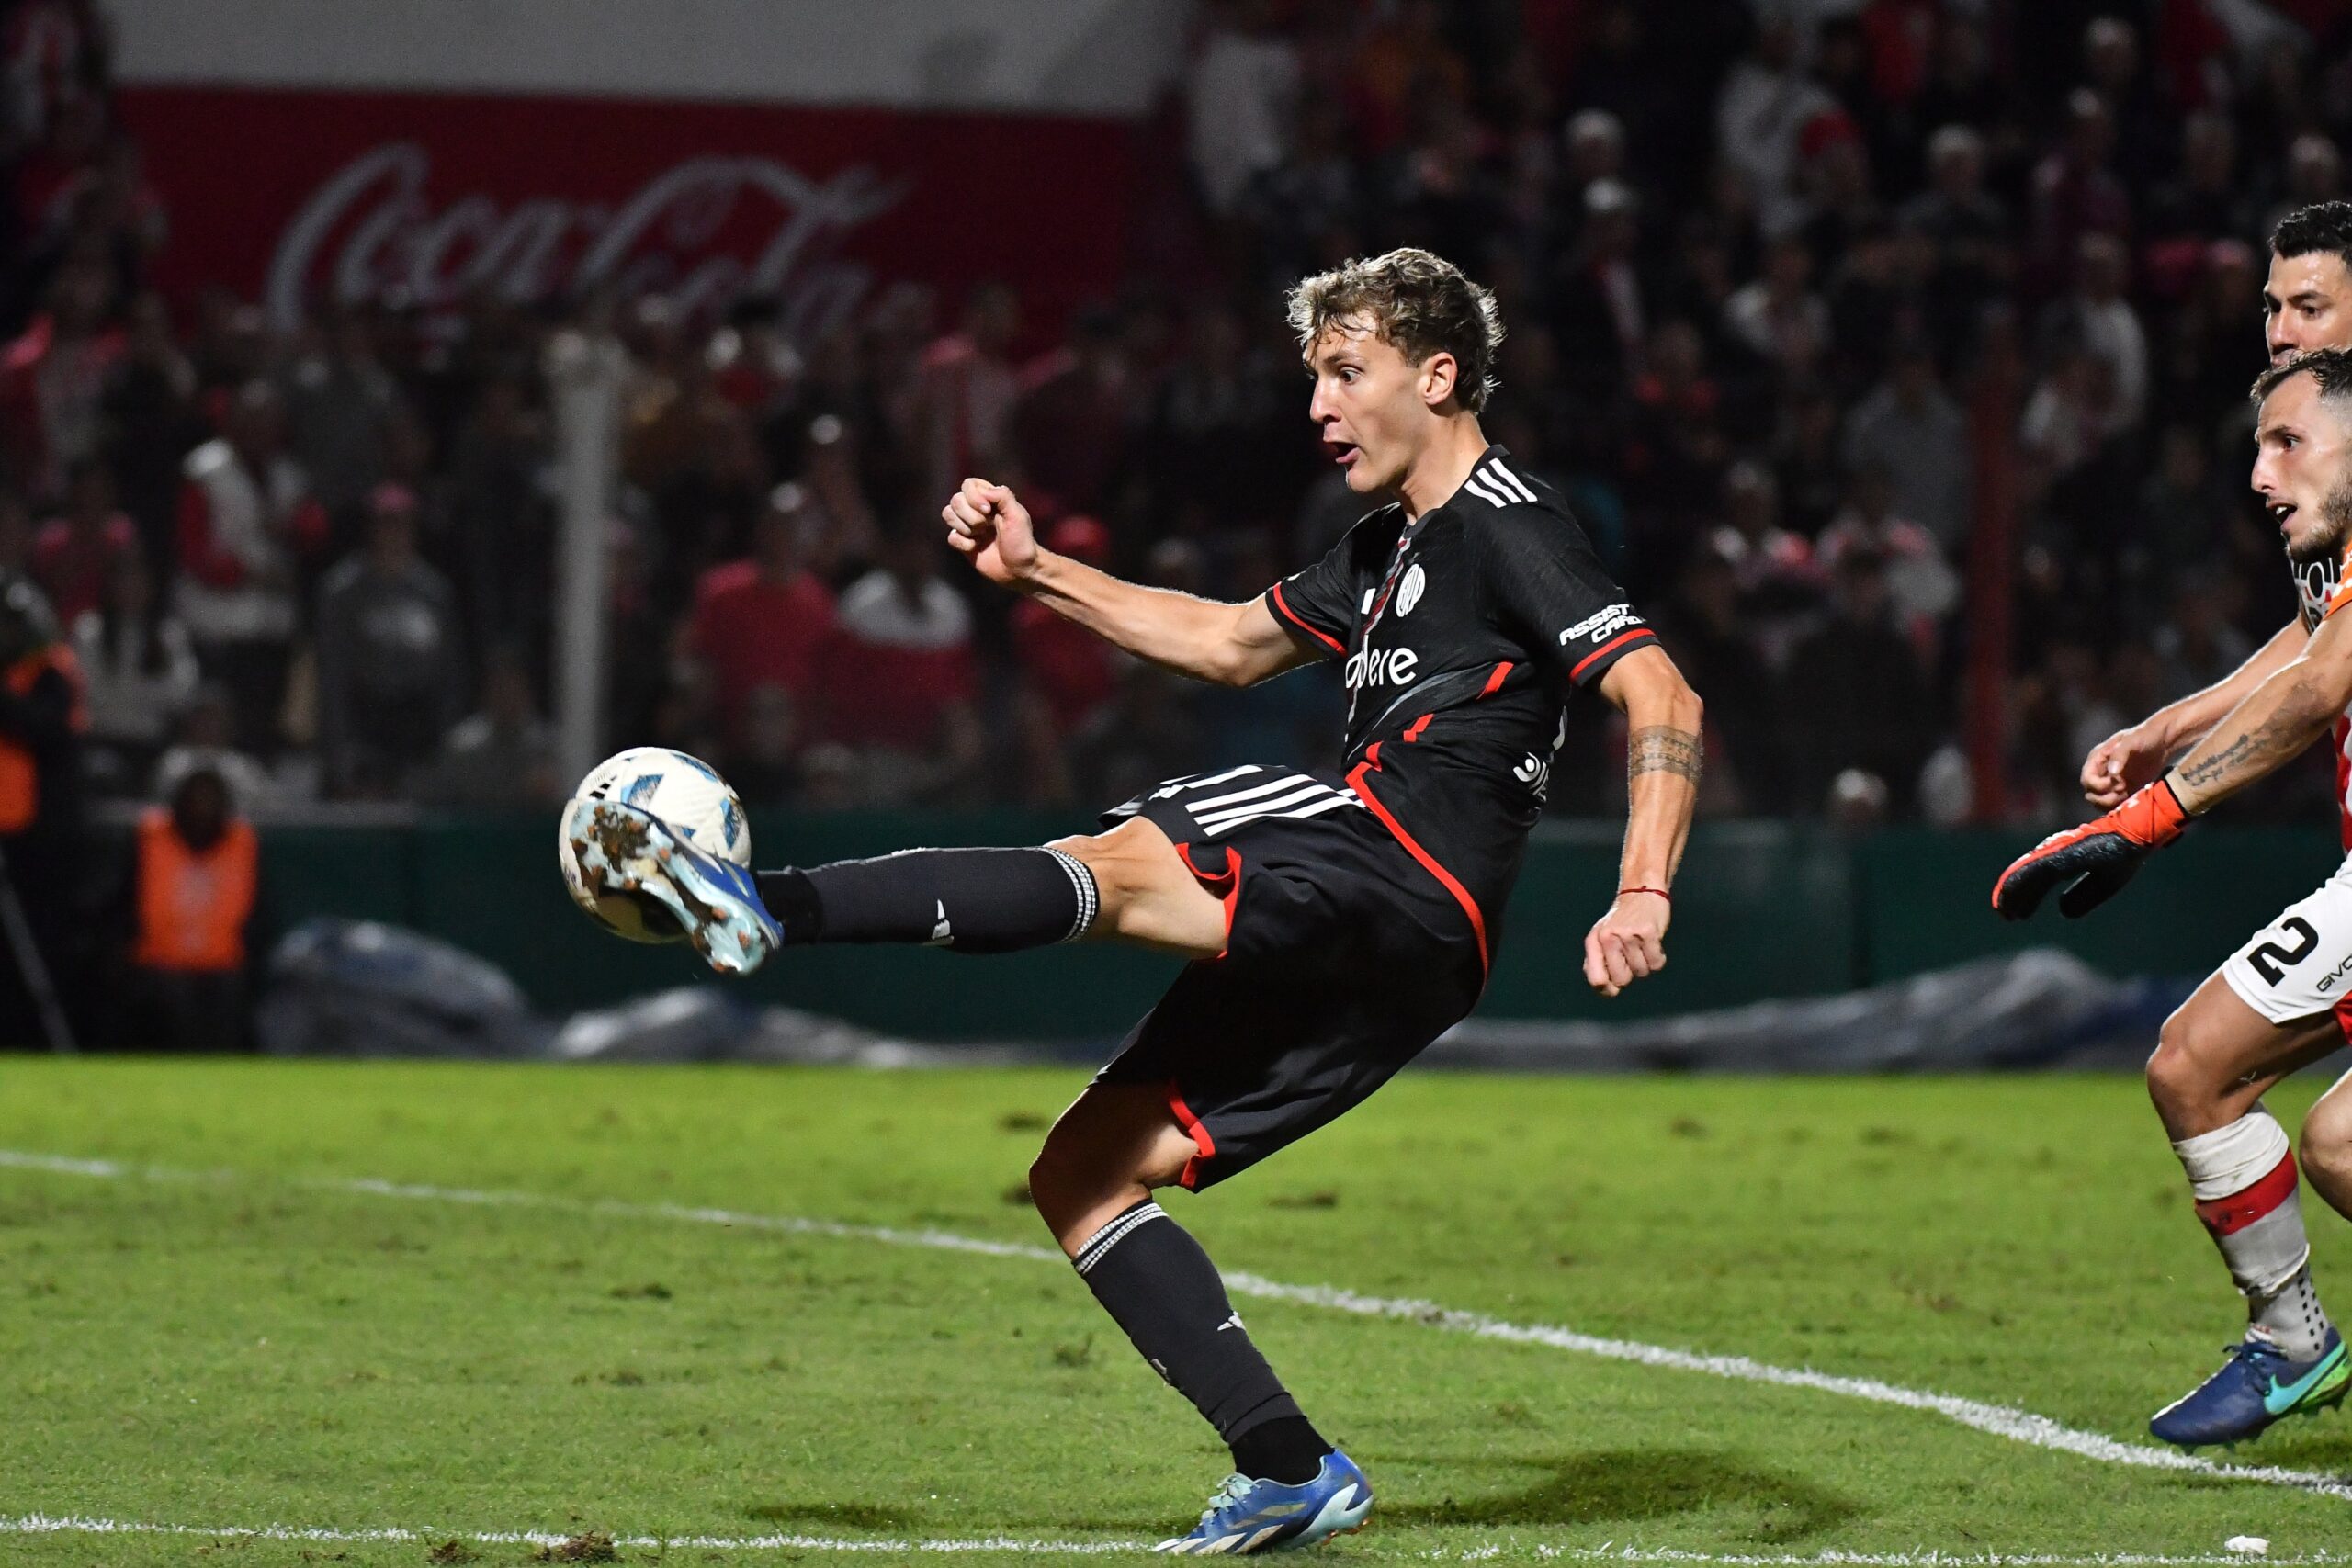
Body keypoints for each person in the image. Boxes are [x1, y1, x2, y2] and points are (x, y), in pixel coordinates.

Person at [564, 248, 1704, 1552]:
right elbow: (1225, 640)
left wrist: (1641, 888)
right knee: (1084, 1172)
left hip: (1395, 855)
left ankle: (768, 902)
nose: (1319, 405)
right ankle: (1288, 1464)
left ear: (1438, 376)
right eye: (1315, 377)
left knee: (1114, 861)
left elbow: (1661, 693)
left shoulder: (1507, 518)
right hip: (1414, 951)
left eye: (1347, 372)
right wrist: (1038, 570)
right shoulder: (1387, 547)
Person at [1996, 346, 2352, 1448]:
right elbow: (2313, 643)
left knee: (2292, 1118)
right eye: (2271, 307)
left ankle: (2291, 1345)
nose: (2258, 472)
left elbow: (2323, 685)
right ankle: (2292, 1342)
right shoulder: (2334, 554)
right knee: (2230, 1088)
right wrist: (2166, 728)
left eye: (2286, 441)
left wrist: (2146, 818)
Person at [119, 762, 256, 1052]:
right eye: (195, 797)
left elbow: (259, 915)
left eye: (210, 798)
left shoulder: (241, 843)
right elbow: (120, 902)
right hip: (159, 963)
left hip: (222, 966)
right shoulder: (151, 839)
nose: (202, 807)